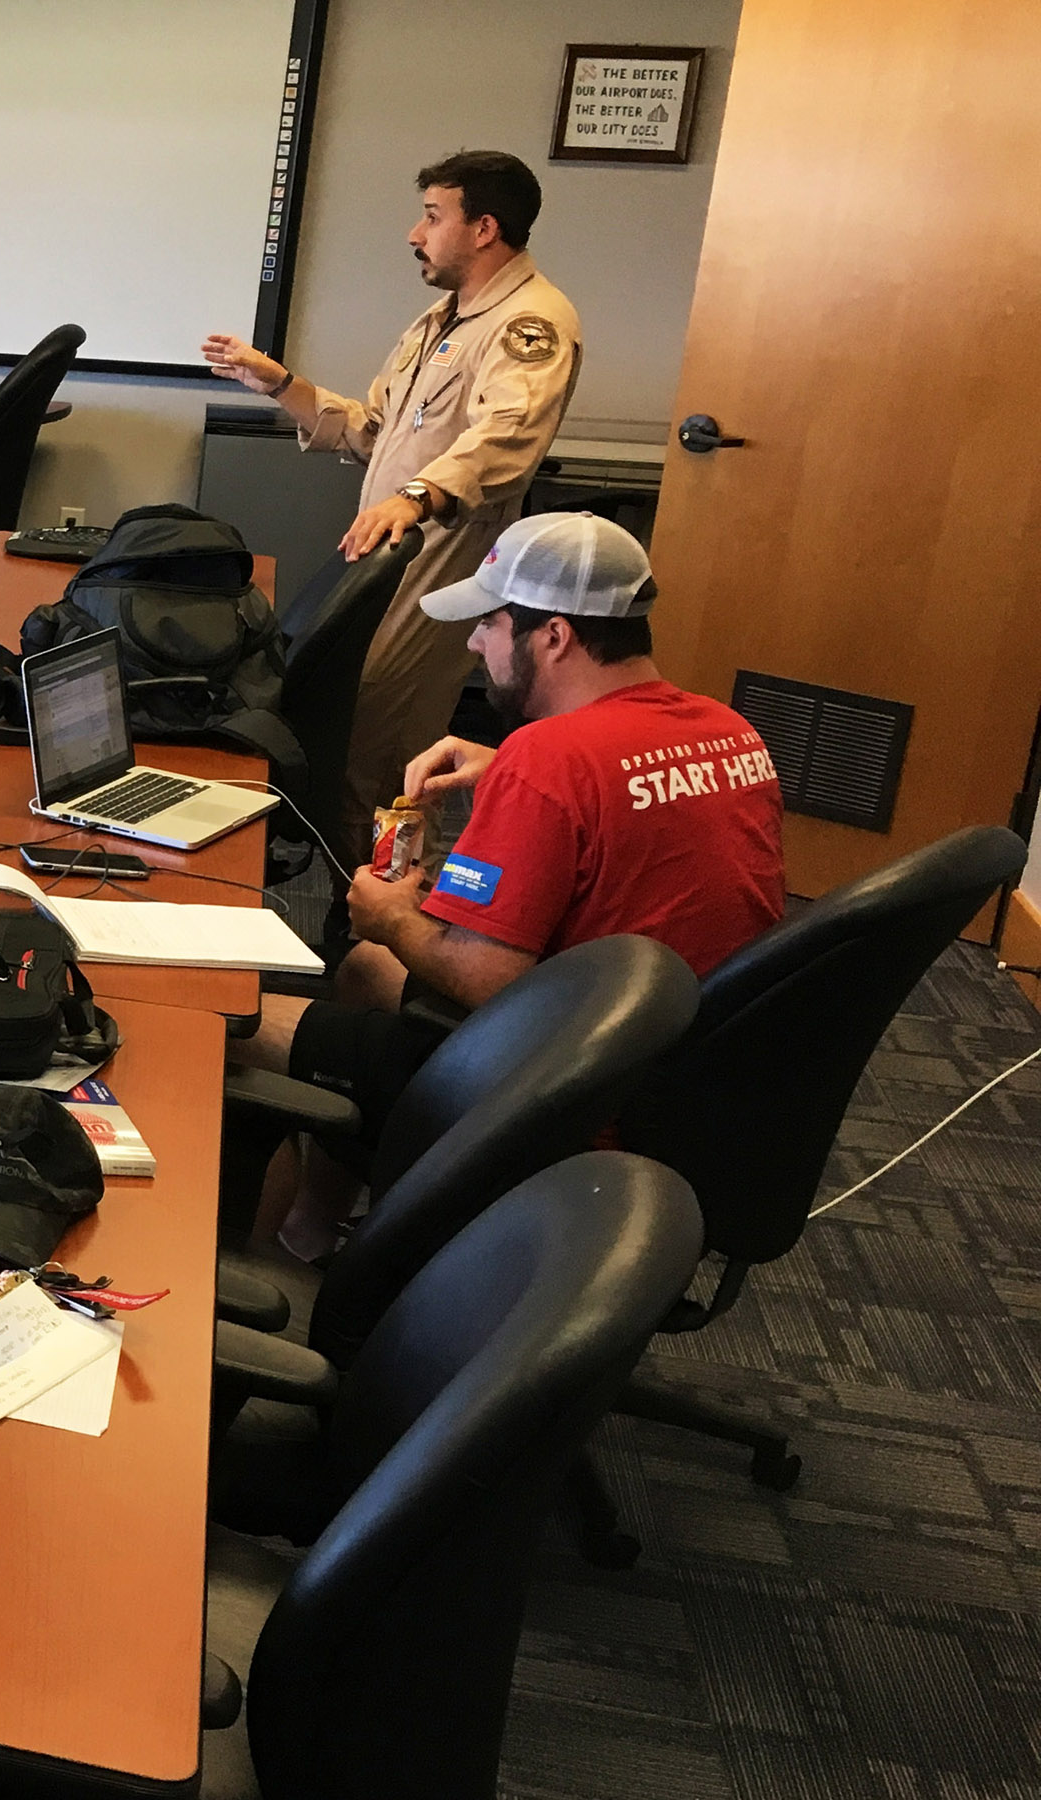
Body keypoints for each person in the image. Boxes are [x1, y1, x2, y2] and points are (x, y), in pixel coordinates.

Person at [240, 513, 785, 1255]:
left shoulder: (550, 761)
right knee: (367, 973)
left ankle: (251, 1267)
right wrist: (511, 770)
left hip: (563, 1092)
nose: (473, 643)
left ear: (553, 636)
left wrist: (392, 916)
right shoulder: (727, 731)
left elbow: (490, 976)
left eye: (489, 624)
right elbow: (629, 803)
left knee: (231, 1029)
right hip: (680, 1080)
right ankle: (315, 1229)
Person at [199, 149, 583, 859]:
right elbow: (372, 429)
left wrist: (416, 496)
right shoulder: (440, 320)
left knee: (387, 756)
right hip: (386, 555)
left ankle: (396, 929)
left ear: (484, 228)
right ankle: (373, 914)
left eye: (434, 217)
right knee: (356, 740)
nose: (416, 233)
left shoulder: (531, 324)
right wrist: (281, 383)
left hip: (441, 561)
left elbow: (507, 434)